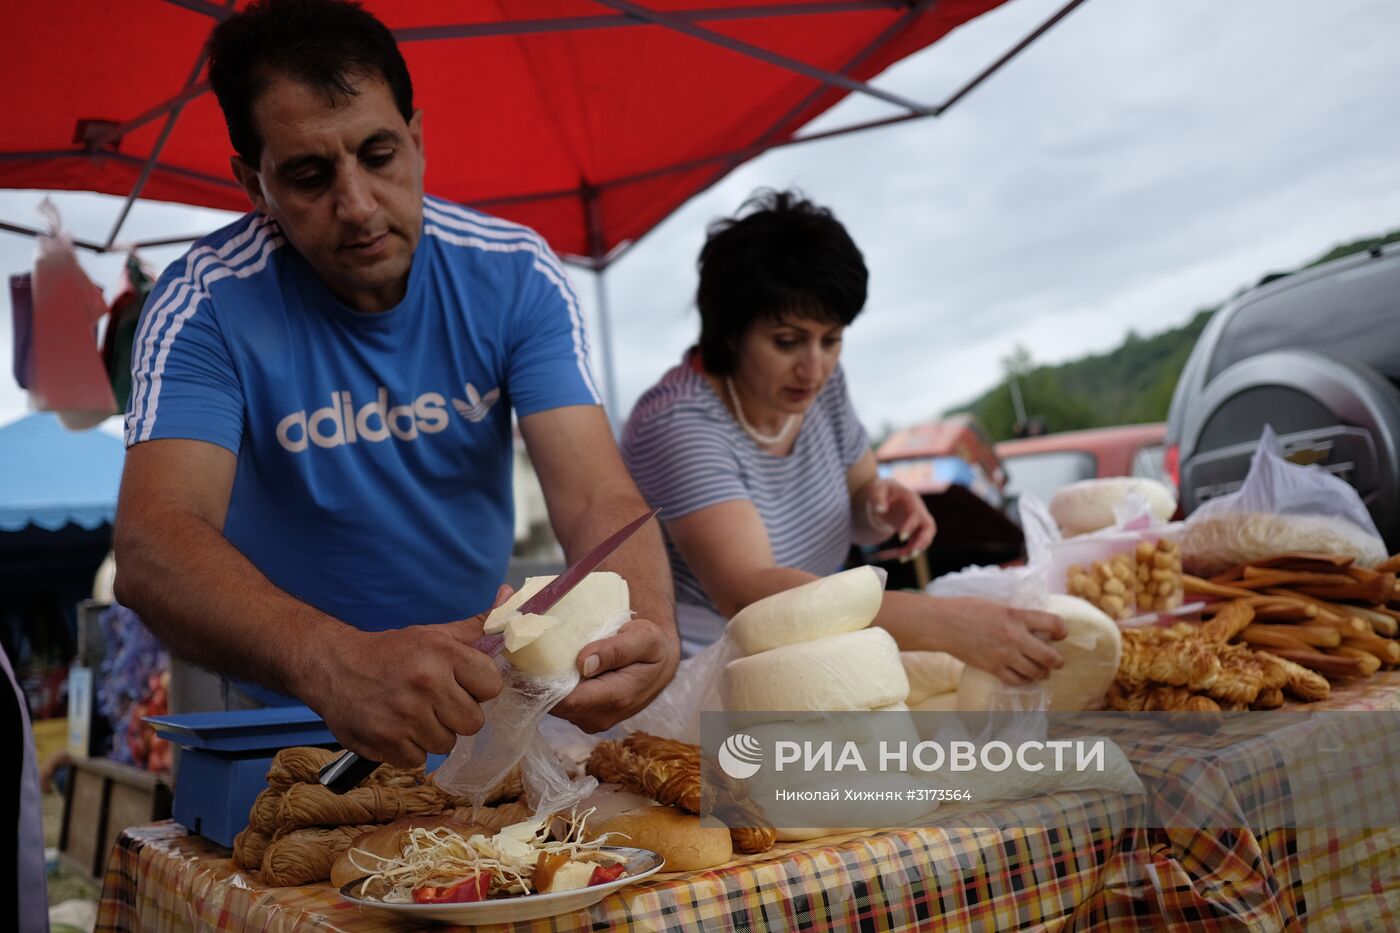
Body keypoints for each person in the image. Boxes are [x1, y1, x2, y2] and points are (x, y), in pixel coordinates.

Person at [113, 0, 678, 769]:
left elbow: (594, 495)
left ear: (416, 139)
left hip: (478, 716)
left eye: (379, 155)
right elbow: (153, 544)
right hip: (273, 728)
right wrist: (330, 661)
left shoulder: (514, 273)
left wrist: (643, 617)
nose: (357, 206)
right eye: (309, 176)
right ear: (254, 183)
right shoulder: (204, 301)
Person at [620, 190, 1064, 684]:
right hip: (707, 675)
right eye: (787, 342)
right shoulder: (677, 422)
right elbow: (748, 591)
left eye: (831, 340)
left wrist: (879, 505)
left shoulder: (821, 387)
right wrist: (943, 623)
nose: (814, 367)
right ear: (729, 332)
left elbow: (860, 502)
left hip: (817, 645)